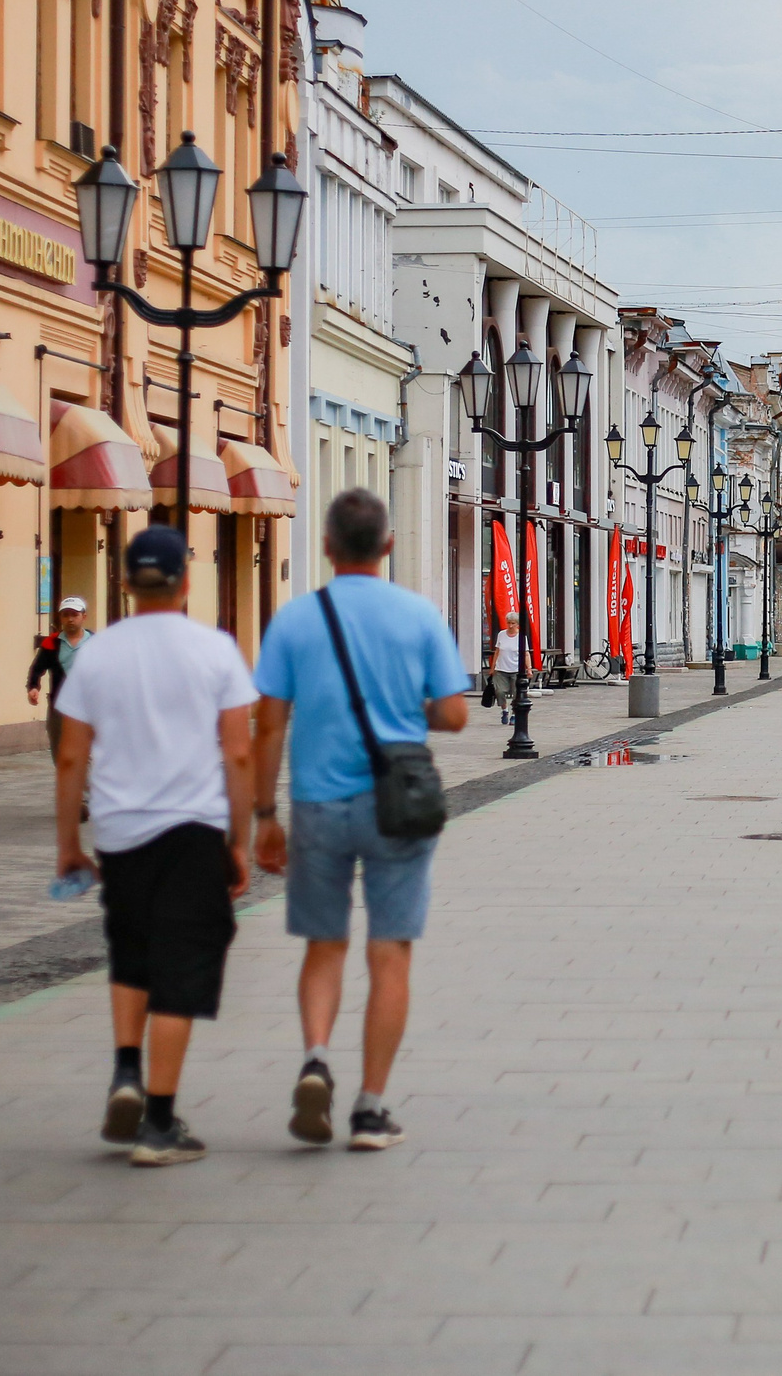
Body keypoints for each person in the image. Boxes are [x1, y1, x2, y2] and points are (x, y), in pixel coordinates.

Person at [251, 490, 471, 1154]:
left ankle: (316, 1058)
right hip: (397, 805)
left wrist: (264, 815)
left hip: (317, 805)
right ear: (388, 546)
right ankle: (371, 1109)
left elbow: (268, 725)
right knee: (389, 952)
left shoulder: (295, 620)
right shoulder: (419, 615)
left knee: (324, 944)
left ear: (326, 547)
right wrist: (405, 713)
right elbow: (455, 714)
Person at [51, 528, 257, 1168]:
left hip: (119, 831)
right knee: (181, 968)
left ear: (124, 585)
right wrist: (240, 840)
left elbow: (70, 757)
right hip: (192, 829)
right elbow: (239, 753)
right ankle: (160, 1124)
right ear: (186, 582)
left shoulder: (98, 656)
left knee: (132, 950)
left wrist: (69, 844)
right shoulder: (216, 651)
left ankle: (126, 1071)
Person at [27, 595, 94, 757]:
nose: (70, 619)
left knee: (85, 752)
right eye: (66, 615)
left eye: (74, 615)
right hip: (59, 705)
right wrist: (33, 687)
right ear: (60, 617)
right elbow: (37, 668)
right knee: (60, 751)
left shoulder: (96, 642)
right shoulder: (52, 643)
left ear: (84, 617)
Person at [489, 612, 523, 726]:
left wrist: (528, 668)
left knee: (516, 693)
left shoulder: (521, 637)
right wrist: (493, 667)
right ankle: (504, 710)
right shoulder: (501, 634)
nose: (510, 625)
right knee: (499, 691)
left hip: (516, 669)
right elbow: (497, 651)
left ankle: (514, 715)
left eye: (513, 623)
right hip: (501, 668)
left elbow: (526, 653)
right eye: (508, 623)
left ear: (517, 624)